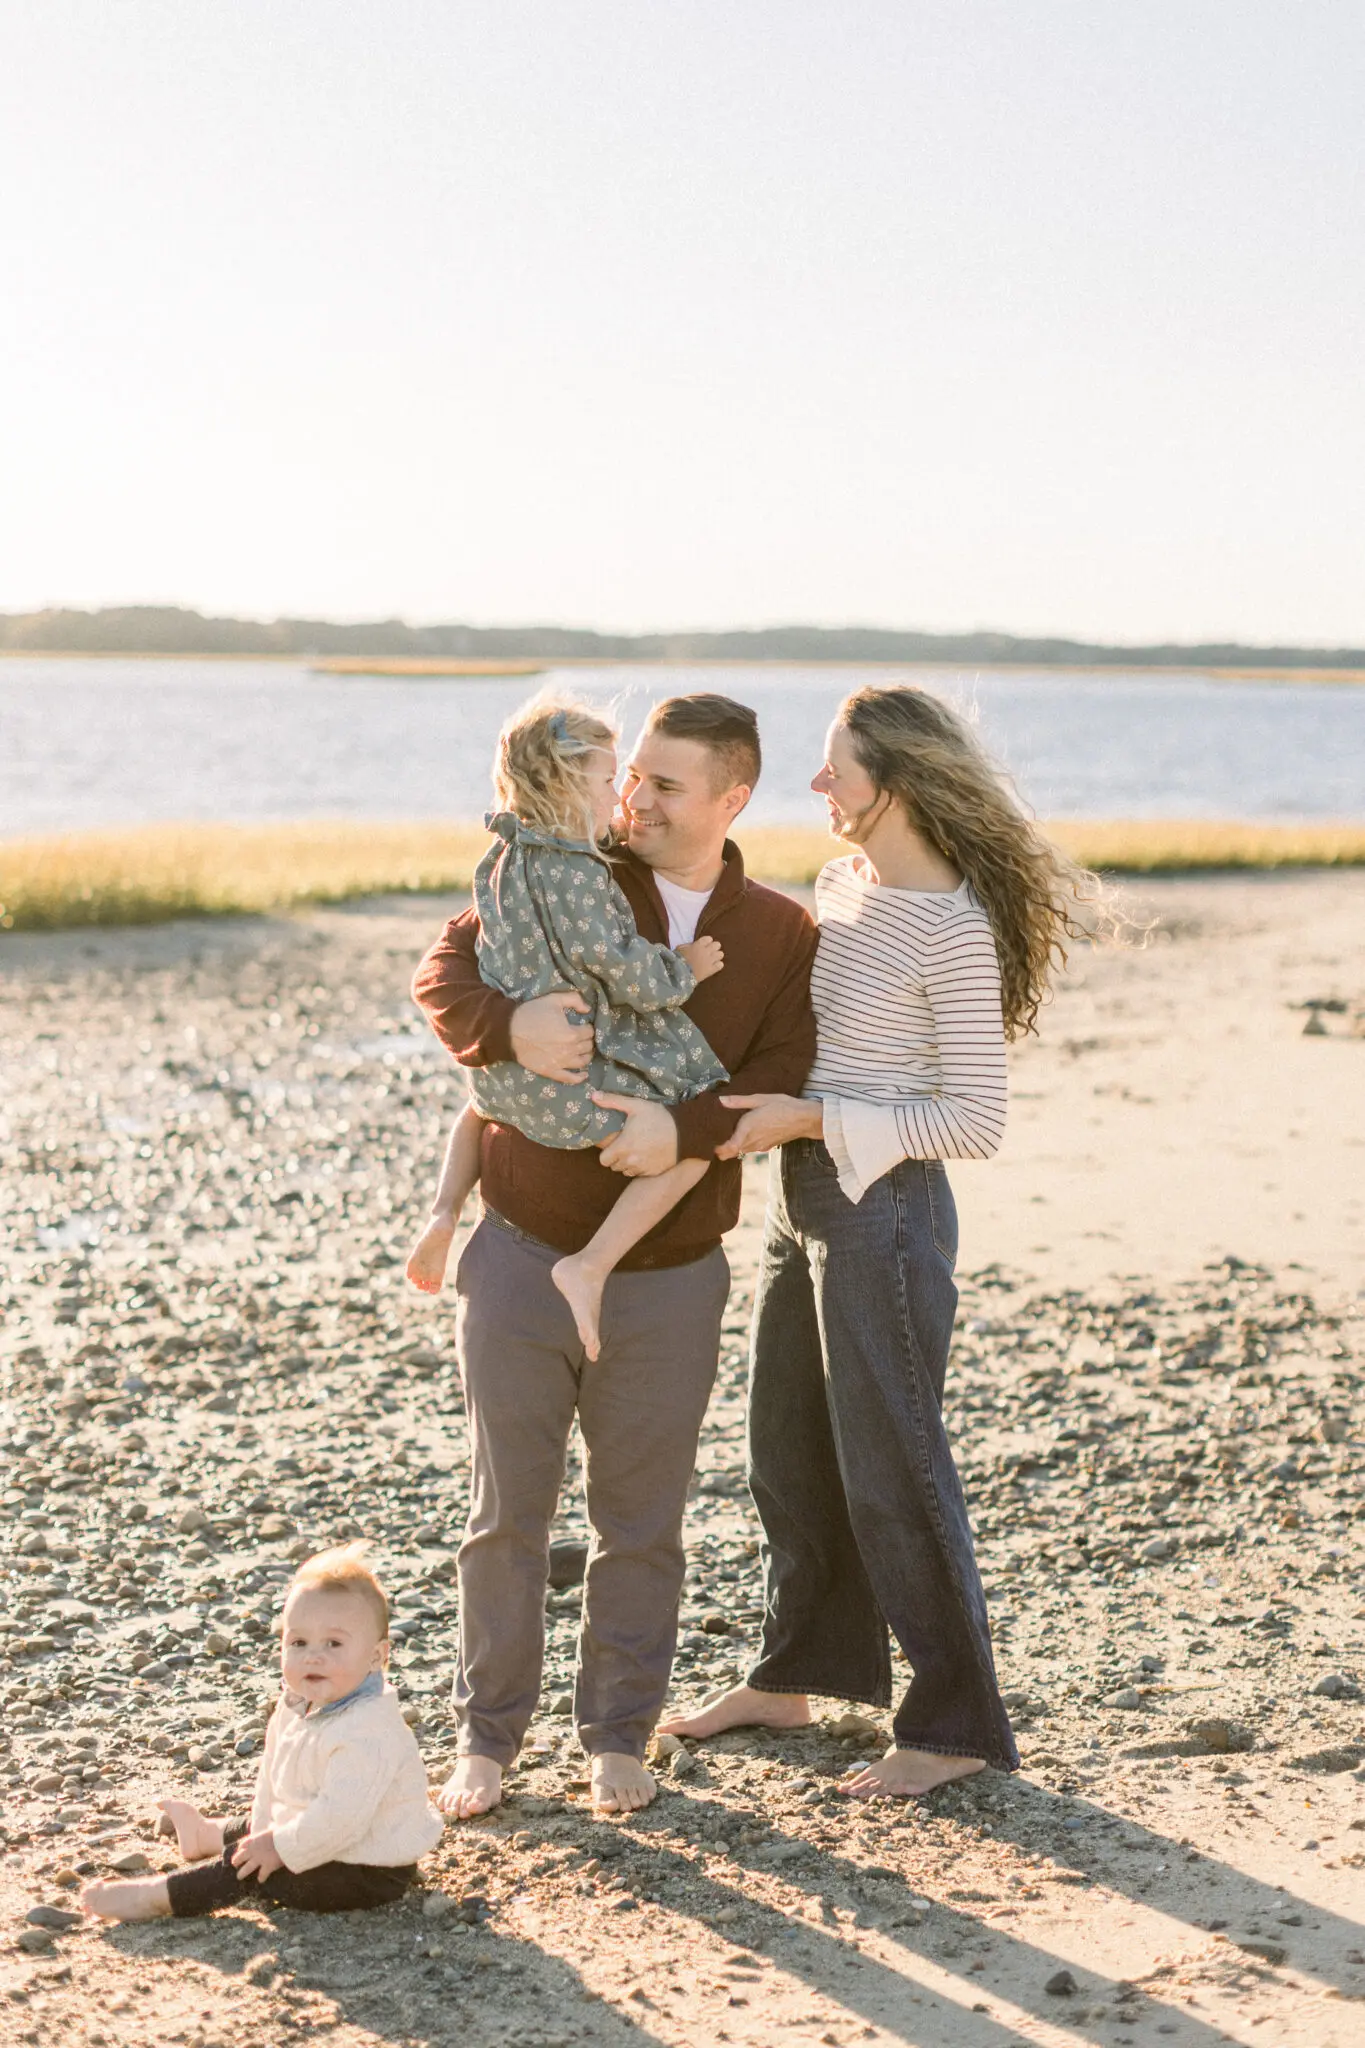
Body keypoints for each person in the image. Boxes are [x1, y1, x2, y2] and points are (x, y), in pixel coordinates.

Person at [660, 684, 1105, 1796]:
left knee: (894, 1467)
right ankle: (795, 1673)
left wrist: (809, 1118)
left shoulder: (951, 927)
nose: (817, 783)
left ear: (894, 783)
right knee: (786, 1447)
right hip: (802, 1193)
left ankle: (955, 1727)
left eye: (836, 768)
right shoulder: (844, 884)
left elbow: (975, 1120)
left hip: (887, 1209)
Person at [411, 693, 817, 1818]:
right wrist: (510, 1026)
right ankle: (485, 1742)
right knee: (504, 1518)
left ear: (732, 799)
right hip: (516, 1254)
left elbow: (779, 1078)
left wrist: (676, 1131)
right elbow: (442, 976)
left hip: (670, 1279)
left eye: (665, 785)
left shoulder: (781, 933)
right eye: (630, 774)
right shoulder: (573, 869)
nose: (635, 799)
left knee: (641, 1526)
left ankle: (616, 1738)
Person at [406, 695, 729, 1362]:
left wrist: (505, 1035)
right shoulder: (579, 873)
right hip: (565, 1083)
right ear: (566, 786)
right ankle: (590, 1264)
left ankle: (442, 1211)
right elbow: (616, 964)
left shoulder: (504, 855)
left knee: (478, 1107)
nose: (623, 798)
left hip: (499, 1085)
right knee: (696, 1126)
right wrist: (683, 970)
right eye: (613, 780)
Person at [81, 1546, 442, 1921]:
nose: (313, 1656)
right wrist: (265, 1832)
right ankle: (205, 1835)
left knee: (250, 1867)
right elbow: (271, 1782)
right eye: (298, 1642)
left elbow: (340, 1820)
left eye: (333, 1644)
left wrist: (276, 1847)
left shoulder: (369, 1731)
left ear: (376, 1656)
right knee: (261, 1835)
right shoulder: (297, 1705)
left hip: (366, 1869)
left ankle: (161, 1897)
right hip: (324, 1836)